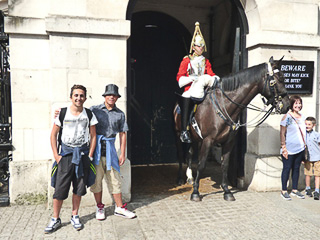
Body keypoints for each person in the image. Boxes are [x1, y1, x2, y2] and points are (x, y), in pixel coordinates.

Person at [45, 84, 98, 233]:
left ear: (85, 98)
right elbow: (53, 135)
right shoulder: (62, 113)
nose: (79, 98)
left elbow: (93, 136)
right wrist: (56, 155)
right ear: (71, 97)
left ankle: (75, 215)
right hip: (66, 156)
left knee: (79, 188)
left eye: (81, 96)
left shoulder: (89, 114)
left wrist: (90, 154)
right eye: (76, 95)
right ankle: (55, 218)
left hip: (82, 155)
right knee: (60, 189)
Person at [89, 84, 136, 220]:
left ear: (116, 97)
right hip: (96, 150)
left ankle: (119, 207)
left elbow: (122, 134)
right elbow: (79, 115)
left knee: (115, 180)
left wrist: (122, 153)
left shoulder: (120, 114)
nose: (111, 97)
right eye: (109, 95)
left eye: (114, 95)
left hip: (110, 150)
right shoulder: (95, 110)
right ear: (105, 96)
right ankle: (99, 206)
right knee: (96, 181)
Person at [176, 21, 220, 143]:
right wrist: (191, 78)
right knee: (186, 97)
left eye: (202, 46)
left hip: (203, 88)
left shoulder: (206, 61)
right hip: (190, 88)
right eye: (198, 46)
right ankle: (184, 130)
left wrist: (215, 78)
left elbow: (210, 73)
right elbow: (180, 77)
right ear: (193, 47)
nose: (201, 48)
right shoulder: (186, 61)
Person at [280, 95, 305, 200]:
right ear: (291, 104)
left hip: (300, 148)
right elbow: (282, 132)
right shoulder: (287, 117)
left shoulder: (302, 116)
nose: (298, 105)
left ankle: (295, 189)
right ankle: (284, 190)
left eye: (299, 103)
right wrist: (283, 147)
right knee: (286, 168)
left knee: (296, 169)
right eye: (296, 103)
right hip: (289, 148)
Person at [304, 116, 320, 200]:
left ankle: (317, 190)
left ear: (313, 125)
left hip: (317, 157)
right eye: (306, 124)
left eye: (309, 124)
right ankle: (308, 188)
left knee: (317, 174)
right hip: (308, 158)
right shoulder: (303, 135)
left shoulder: (317, 135)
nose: (307, 126)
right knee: (308, 173)